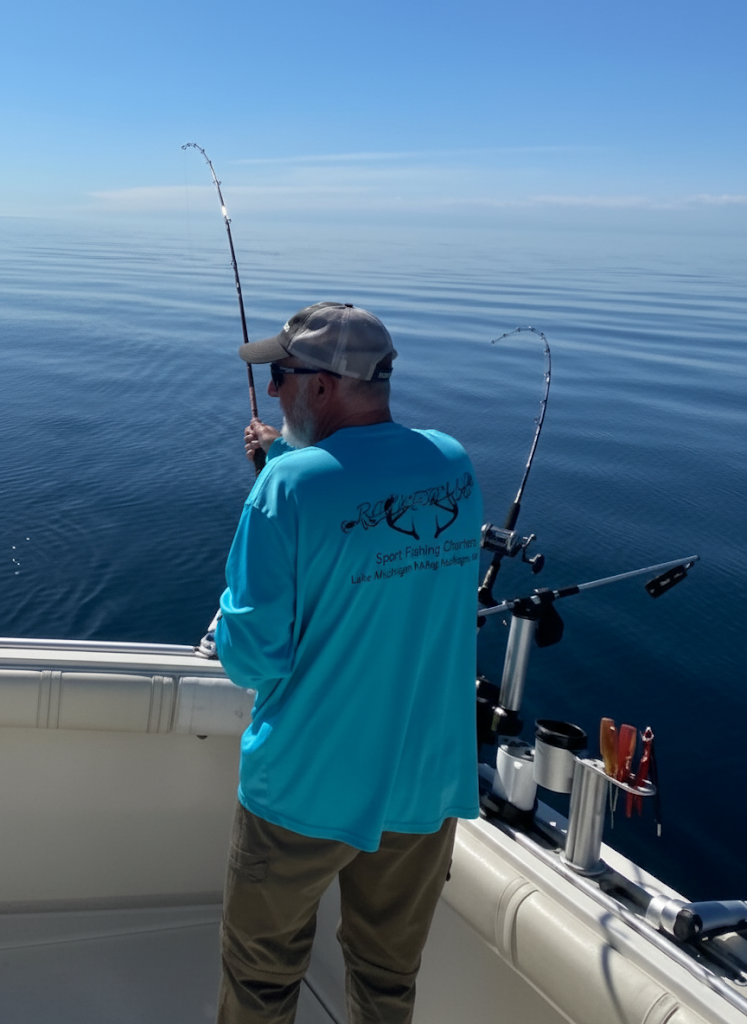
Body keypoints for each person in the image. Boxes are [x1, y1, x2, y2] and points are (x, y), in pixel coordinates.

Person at [215, 302, 483, 1024]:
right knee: (386, 980)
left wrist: (277, 477)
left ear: (322, 386)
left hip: (307, 786)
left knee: (261, 978)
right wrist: (285, 456)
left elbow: (249, 657)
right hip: (425, 783)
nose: (272, 392)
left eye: (280, 376)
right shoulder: (453, 466)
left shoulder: (286, 491)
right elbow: (369, 513)